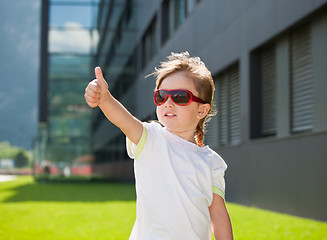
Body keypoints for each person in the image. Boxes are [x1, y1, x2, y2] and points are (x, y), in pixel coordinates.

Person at [84, 52, 233, 239]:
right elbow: (124, 120)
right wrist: (105, 99)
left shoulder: (213, 162)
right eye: (162, 96)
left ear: (202, 110)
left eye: (180, 97)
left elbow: (218, 214)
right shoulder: (151, 138)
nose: (168, 103)